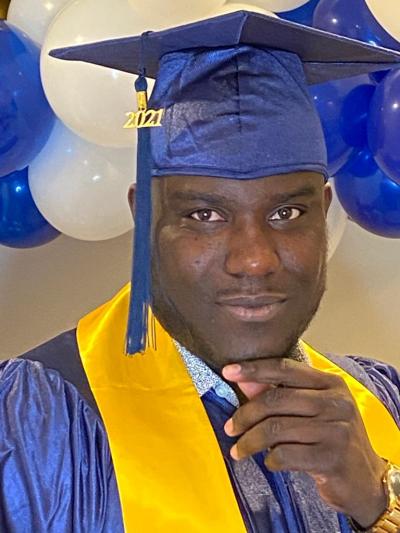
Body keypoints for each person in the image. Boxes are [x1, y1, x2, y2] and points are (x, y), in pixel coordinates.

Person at [1, 11, 400, 533]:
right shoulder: (34, 424)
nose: (254, 259)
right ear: (145, 219)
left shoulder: (382, 406)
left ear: (324, 214)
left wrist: (380, 500)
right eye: (205, 215)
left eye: (287, 213)